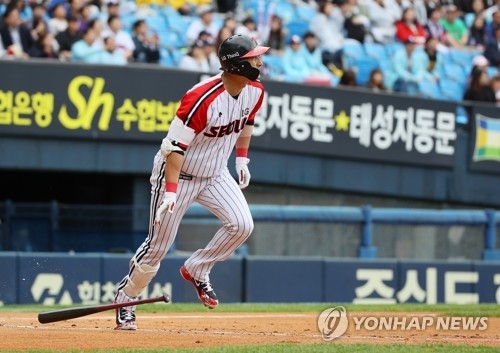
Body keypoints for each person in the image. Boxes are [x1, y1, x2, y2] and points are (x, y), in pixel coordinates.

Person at [113, 34, 269, 330]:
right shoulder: (201, 98)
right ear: (236, 65)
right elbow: (175, 149)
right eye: (253, 58)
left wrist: (242, 159)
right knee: (157, 247)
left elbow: (246, 122)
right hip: (178, 174)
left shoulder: (255, 91)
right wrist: (170, 193)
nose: (259, 62)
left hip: (214, 173)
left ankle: (197, 269)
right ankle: (126, 299)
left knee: (242, 225)